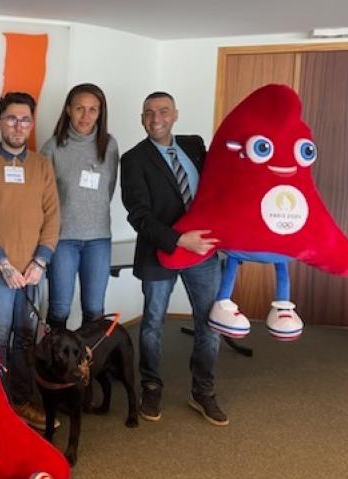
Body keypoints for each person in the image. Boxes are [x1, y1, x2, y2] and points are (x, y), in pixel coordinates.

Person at [120, 91, 228, 426]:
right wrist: (179, 239)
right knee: (152, 324)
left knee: (209, 323)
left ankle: (203, 391)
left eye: (163, 111)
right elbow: (138, 214)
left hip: (203, 252)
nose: (156, 118)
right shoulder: (133, 159)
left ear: (175, 114)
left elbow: (219, 186)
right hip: (159, 251)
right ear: (142, 118)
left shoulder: (194, 145)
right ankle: (151, 387)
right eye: (149, 113)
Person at [0, 92, 60, 430]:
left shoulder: (42, 166)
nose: (18, 126)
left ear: (31, 124)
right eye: (11, 119)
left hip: (33, 273)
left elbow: (53, 216)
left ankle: (21, 401)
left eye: (24, 120)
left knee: (26, 337)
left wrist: (41, 261)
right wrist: (3, 263)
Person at [40, 83, 120, 329]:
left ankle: (89, 356)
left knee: (94, 309)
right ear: (68, 110)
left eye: (93, 110)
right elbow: (43, 197)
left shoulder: (109, 145)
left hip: (98, 239)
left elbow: (109, 188)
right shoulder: (53, 147)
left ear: (100, 113)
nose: (86, 116)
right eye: (79, 109)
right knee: (60, 308)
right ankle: (55, 355)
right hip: (62, 239)